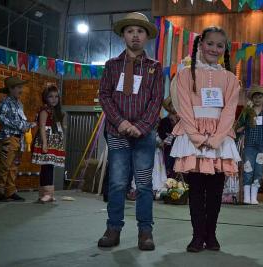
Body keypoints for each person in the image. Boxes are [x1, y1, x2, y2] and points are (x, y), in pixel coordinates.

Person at [170, 26, 240, 252]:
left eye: (220, 45)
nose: (214, 48)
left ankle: (212, 234)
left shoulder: (230, 78)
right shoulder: (184, 74)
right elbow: (183, 107)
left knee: (216, 190)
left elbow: (230, 110)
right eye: (210, 43)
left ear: (225, 50)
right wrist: (196, 136)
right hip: (193, 137)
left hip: (220, 138)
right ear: (200, 44)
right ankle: (197, 235)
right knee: (197, 189)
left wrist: (218, 137)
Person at [98, 12, 163, 251]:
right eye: (130, 31)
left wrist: (141, 127)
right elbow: (104, 95)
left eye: (140, 31)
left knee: (144, 184)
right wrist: (121, 123)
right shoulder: (112, 65)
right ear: (123, 35)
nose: (135, 35)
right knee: (117, 183)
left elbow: (156, 101)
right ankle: (113, 228)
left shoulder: (155, 68)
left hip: (144, 135)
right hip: (117, 133)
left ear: (146, 36)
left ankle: (145, 232)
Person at [0, 76, 36, 202]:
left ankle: (10, 191)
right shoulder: (4, 102)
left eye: (21, 87)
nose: (21, 90)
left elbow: (21, 121)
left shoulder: (19, 104)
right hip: (8, 137)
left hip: (19, 139)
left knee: (14, 166)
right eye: (18, 87)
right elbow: (1, 118)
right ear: (10, 89)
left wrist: (28, 124)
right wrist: (23, 126)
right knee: (4, 165)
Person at [237, 85, 263, 205]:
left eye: (260, 97)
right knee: (248, 170)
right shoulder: (247, 112)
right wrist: (240, 128)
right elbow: (239, 127)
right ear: (252, 99)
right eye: (255, 97)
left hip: (262, 147)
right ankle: (246, 197)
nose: (257, 99)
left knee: (258, 171)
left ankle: (254, 197)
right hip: (249, 146)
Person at [32, 84, 65, 203]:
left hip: (54, 141)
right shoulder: (45, 110)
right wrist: (45, 144)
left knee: (50, 167)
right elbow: (41, 127)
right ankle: (45, 193)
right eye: (51, 96)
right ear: (45, 97)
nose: (54, 99)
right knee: (46, 167)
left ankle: (48, 193)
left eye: (56, 96)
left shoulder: (55, 111)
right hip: (46, 140)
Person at [158, 97, 179, 178]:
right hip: (169, 152)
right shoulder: (165, 121)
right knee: (169, 173)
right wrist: (174, 135)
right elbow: (164, 136)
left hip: (180, 152)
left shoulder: (183, 122)